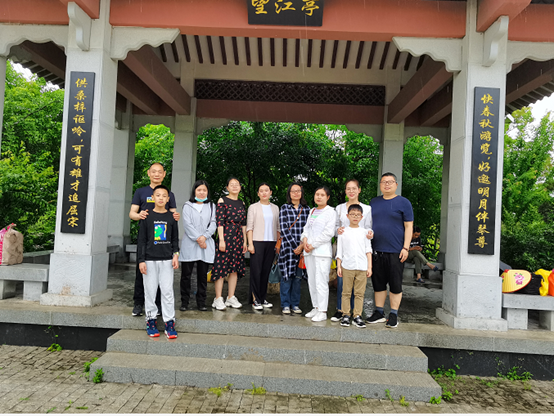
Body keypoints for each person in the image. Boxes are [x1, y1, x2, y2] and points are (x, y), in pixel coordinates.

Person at [129, 163, 180, 317]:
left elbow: (173, 214)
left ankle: (158, 305)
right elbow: (132, 213)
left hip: (163, 240)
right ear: (148, 173)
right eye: (154, 172)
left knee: (162, 277)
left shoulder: (169, 194)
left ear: (164, 174)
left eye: (159, 172)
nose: (156, 174)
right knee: (142, 272)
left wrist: (176, 216)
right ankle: (139, 303)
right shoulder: (141, 192)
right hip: (146, 237)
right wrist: (139, 215)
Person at [367, 172, 413, 329]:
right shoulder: (374, 202)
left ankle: (393, 314)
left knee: (395, 284)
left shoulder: (404, 203)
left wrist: (406, 247)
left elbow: (409, 226)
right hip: (376, 250)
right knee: (378, 283)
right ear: (380, 185)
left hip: (396, 251)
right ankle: (379, 312)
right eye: (384, 182)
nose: (387, 184)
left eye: (390, 182)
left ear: (396, 185)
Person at [137, 185, 180, 339]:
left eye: (164, 196)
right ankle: (151, 321)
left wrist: (176, 255)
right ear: (153, 198)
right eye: (158, 195)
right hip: (149, 260)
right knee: (150, 291)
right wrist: (141, 260)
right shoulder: (146, 217)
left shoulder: (172, 217)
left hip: (167, 259)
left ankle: (169, 322)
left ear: (168, 199)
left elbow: (174, 239)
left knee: (167, 291)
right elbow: (141, 241)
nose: (161, 198)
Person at [332, 179, 373, 323]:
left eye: (354, 188)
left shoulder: (367, 209)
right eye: (348, 188)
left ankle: (357, 314)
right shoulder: (339, 208)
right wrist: (338, 230)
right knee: (343, 285)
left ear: (359, 190)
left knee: (359, 289)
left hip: (360, 250)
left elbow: (368, 227)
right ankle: (342, 311)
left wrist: (370, 233)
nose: (351, 191)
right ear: (345, 191)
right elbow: (335, 227)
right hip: (344, 247)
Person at [178, 180, 216, 311]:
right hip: (190, 243)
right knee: (186, 275)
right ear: (194, 191)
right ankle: (185, 302)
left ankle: (201, 302)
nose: (201, 192)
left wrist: (204, 237)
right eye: (199, 190)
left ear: (207, 192)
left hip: (206, 243)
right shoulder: (187, 206)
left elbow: (213, 223)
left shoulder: (211, 206)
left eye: (204, 190)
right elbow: (187, 225)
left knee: (202, 275)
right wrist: (199, 239)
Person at [301, 186, 337, 322]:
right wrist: (305, 241)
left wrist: (313, 244)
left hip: (321, 252)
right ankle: (315, 307)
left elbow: (328, 233)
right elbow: (306, 229)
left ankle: (322, 311)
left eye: (322, 195)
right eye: (317, 194)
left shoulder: (330, 212)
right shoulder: (312, 211)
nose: (319, 197)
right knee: (312, 281)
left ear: (327, 197)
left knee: (321, 282)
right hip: (309, 251)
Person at [211, 177, 247, 310]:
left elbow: (244, 224)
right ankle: (218, 298)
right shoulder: (222, 200)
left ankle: (231, 297)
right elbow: (220, 222)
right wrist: (221, 239)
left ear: (240, 187)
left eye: (237, 184)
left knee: (235, 269)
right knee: (221, 267)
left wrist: (245, 241)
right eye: (232, 184)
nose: (235, 186)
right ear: (227, 188)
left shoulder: (242, 203)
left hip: (238, 237)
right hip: (226, 235)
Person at [247, 183, 280, 310]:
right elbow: (249, 227)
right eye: (261, 191)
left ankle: (262, 298)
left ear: (270, 192)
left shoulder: (275, 208)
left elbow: (278, 227)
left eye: (266, 190)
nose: (264, 193)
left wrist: (278, 243)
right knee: (256, 271)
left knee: (266, 271)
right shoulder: (253, 207)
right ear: (258, 194)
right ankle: (255, 299)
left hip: (271, 242)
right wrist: (250, 244)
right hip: (257, 241)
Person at [278, 183, 310, 315]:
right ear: (289, 194)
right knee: (286, 276)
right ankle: (285, 304)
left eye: (298, 191)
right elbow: (284, 229)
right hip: (287, 248)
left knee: (298, 277)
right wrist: (294, 246)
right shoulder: (284, 208)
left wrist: (301, 247)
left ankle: (295, 304)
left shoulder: (307, 209)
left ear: (301, 193)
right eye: (293, 191)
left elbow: (309, 229)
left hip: (302, 248)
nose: (296, 193)